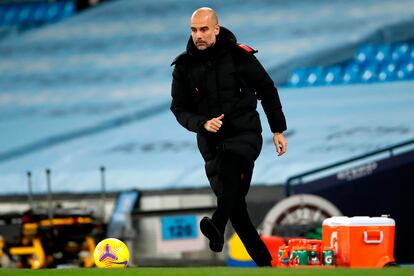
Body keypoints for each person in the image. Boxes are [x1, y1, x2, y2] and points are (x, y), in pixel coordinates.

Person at [170, 7, 287, 267]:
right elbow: (179, 108)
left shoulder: (238, 56)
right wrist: (201, 124)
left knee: (232, 169)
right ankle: (265, 264)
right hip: (212, 145)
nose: (198, 35)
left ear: (216, 29)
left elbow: (267, 89)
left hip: (245, 135)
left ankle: (217, 225)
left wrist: (277, 130)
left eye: (203, 29)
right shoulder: (184, 67)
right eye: (193, 30)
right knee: (236, 207)